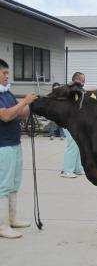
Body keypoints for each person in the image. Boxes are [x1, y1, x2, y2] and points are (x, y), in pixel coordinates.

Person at [0, 58, 37, 238]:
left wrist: (29, 103)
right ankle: (2, 226)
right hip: (2, 146)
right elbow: (6, 115)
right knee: (3, 186)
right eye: (4, 73)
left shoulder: (7, 93)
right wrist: (23, 102)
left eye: (8, 73)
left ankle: (12, 219)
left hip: (14, 143)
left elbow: (21, 113)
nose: (7, 76)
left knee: (14, 183)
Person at [60, 72, 85, 178]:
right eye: (81, 80)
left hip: (75, 122)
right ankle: (67, 170)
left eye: (84, 80)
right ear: (76, 80)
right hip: (68, 122)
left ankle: (77, 168)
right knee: (73, 145)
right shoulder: (69, 90)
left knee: (78, 145)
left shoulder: (76, 90)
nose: (83, 83)